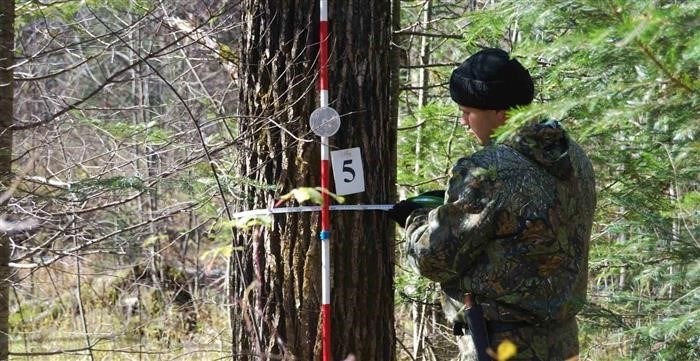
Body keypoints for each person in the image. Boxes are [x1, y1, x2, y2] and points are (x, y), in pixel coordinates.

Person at [389, 48, 596, 360]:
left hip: (501, 344)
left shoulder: (490, 170)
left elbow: (434, 258)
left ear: (500, 112)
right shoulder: (571, 154)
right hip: (562, 341)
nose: (463, 121)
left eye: (468, 111)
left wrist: (417, 219)